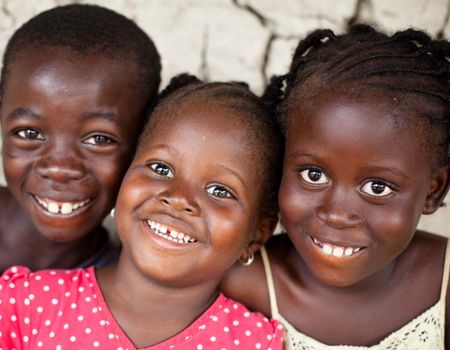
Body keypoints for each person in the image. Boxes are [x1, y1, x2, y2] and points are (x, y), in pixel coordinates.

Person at [0, 74, 285, 349]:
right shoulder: (25, 304)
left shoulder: (255, 343)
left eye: (220, 191)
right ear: (124, 175)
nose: (177, 198)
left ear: (256, 236)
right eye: (161, 169)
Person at [220, 24, 450, 349]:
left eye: (377, 187)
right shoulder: (244, 282)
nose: (338, 214)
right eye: (314, 175)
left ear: (433, 191)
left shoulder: (444, 283)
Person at [0, 4, 161, 271]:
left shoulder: (118, 289)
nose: (60, 169)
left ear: (143, 141)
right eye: (29, 133)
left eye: (99, 139)